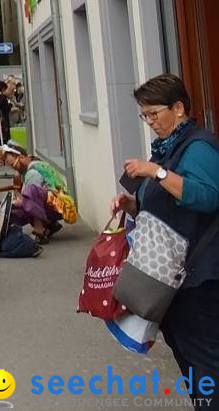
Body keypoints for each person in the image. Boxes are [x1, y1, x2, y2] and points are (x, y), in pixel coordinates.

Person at [110, 74, 219, 404]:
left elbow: (207, 197)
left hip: (198, 278)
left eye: (154, 113)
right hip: (172, 279)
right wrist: (131, 204)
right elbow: (163, 203)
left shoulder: (198, 147)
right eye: (145, 115)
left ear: (179, 108)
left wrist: (154, 172)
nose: (150, 122)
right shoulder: (168, 148)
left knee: (205, 362)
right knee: (187, 358)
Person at [1, 144, 68, 243]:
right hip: (54, 205)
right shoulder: (29, 168)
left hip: (59, 206)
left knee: (30, 192)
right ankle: (51, 225)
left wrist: (8, 204)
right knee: (14, 208)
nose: (14, 169)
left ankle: (39, 231)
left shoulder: (33, 172)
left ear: (21, 158)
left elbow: (28, 199)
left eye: (13, 165)